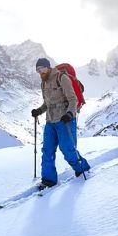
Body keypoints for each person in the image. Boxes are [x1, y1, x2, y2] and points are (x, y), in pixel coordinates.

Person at [31, 58, 91, 189]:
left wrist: (70, 113)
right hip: (50, 121)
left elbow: (72, 99)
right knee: (47, 150)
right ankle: (48, 180)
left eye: (41, 69)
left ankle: (83, 169)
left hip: (65, 120)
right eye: (37, 70)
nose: (40, 72)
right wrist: (38, 111)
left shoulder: (61, 77)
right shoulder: (43, 83)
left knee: (68, 150)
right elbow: (47, 104)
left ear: (48, 67)